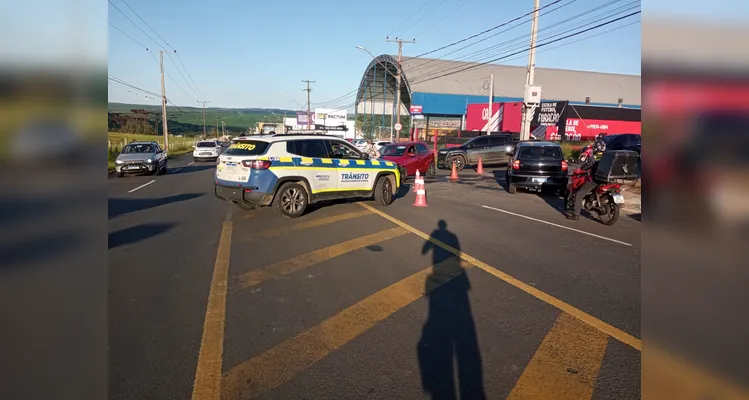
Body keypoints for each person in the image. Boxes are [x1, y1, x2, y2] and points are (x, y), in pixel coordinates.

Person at [566, 145, 598, 220]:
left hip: (594, 180)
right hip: (605, 181)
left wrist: (580, 170)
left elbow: (589, 164)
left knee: (579, 195)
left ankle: (576, 214)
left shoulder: (591, 159)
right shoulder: (604, 158)